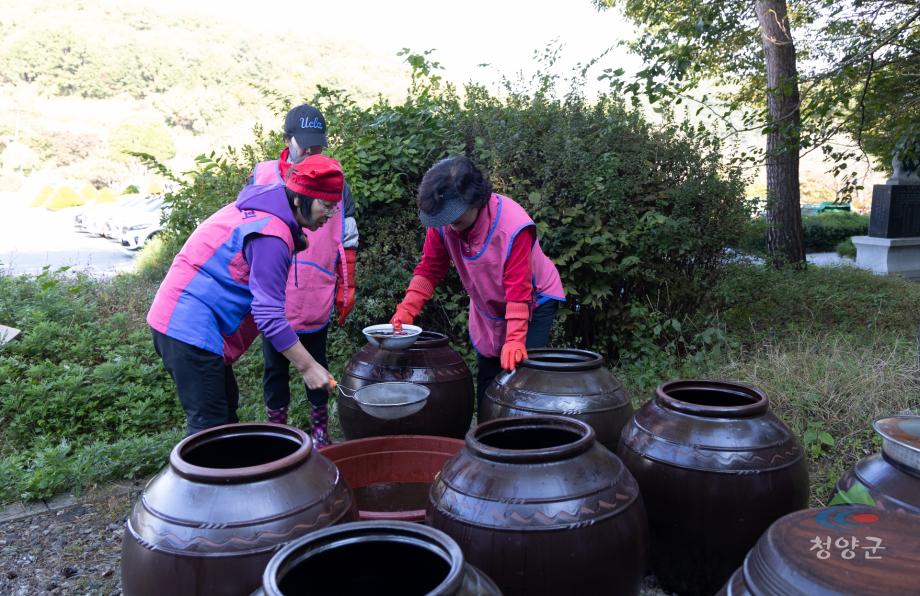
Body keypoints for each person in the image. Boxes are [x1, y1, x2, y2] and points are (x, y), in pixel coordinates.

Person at [147, 154, 344, 436]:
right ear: (299, 199)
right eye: (325, 205)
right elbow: (269, 316)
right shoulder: (271, 234)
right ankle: (202, 479)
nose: (329, 214)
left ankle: (229, 476)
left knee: (225, 414)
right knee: (209, 429)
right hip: (187, 325)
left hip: (183, 320)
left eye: (334, 206)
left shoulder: (265, 206)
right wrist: (309, 367)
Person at [390, 156, 565, 404]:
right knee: (488, 374)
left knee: (522, 378)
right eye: (445, 220)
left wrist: (515, 339)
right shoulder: (443, 221)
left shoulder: (512, 226)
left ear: (476, 200)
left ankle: (529, 434)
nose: (450, 226)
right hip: (488, 304)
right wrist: (407, 309)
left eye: (456, 218)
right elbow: (430, 268)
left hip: (534, 300)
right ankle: (485, 434)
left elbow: (519, 289)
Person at [246, 104, 359, 446]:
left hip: (316, 292)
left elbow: (348, 238)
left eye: (317, 144)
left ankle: (320, 433)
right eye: (304, 143)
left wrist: (346, 286)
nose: (310, 151)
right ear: (288, 140)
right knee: (275, 369)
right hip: (275, 294)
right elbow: (246, 230)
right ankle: (278, 434)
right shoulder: (265, 176)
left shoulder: (335, 182)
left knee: (317, 363)